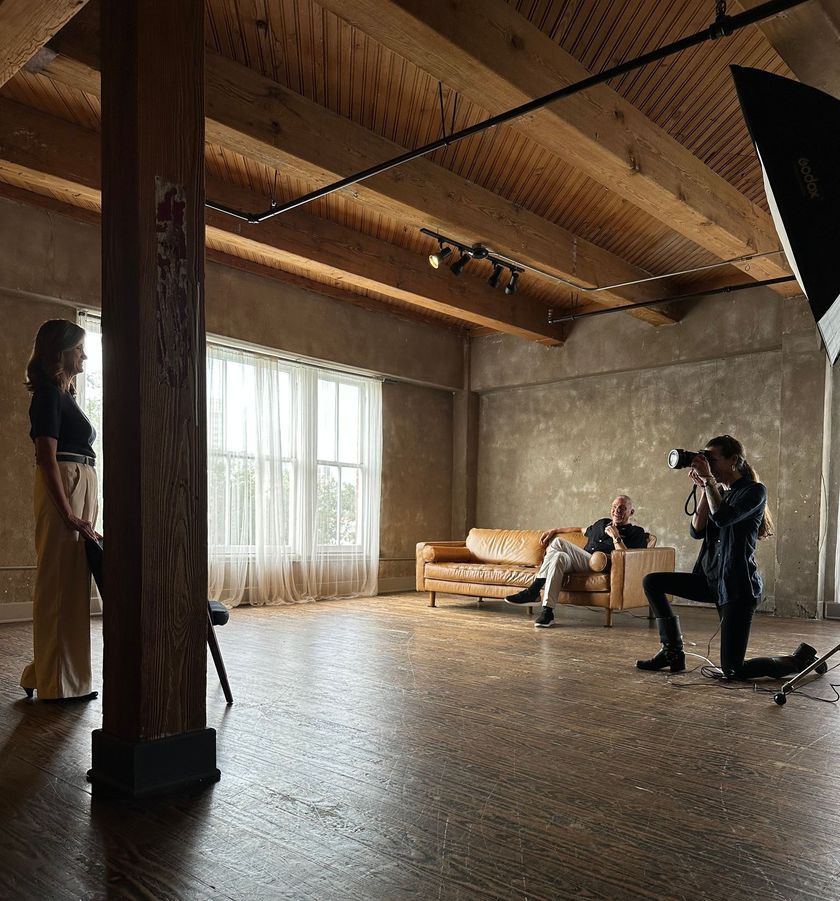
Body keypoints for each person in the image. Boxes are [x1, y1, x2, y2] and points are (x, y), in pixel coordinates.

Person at [636, 435, 825, 679]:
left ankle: (801, 659)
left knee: (733, 669)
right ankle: (672, 652)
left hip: (737, 588)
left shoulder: (754, 491)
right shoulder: (716, 491)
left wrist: (708, 481)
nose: (707, 464)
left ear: (733, 460)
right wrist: (706, 486)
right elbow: (697, 530)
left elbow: (723, 517)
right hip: (711, 580)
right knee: (652, 581)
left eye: (711, 459)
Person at [20, 319, 99, 701]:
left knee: (71, 583)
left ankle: (50, 673)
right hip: (64, 486)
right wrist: (67, 511)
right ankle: (56, 682)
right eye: (79, 347)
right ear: (61, 350)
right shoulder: (48, 395)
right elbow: (45, 457)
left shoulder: (64, 394)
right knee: (57, 582)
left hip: (78, 483)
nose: (84, 355)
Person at [506, 495, 648, 628]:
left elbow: (628, 558)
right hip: (582, 562)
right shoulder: (601, 523)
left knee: (558, 543)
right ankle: (547, 612)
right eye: (614, 507)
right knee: (558, 557)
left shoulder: (636, 532)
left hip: (601, 565)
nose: (617, 510)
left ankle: (534, 590)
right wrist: (554, 530)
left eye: (622, 508)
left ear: (631, 512)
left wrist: (616, 537)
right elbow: (580, 529)